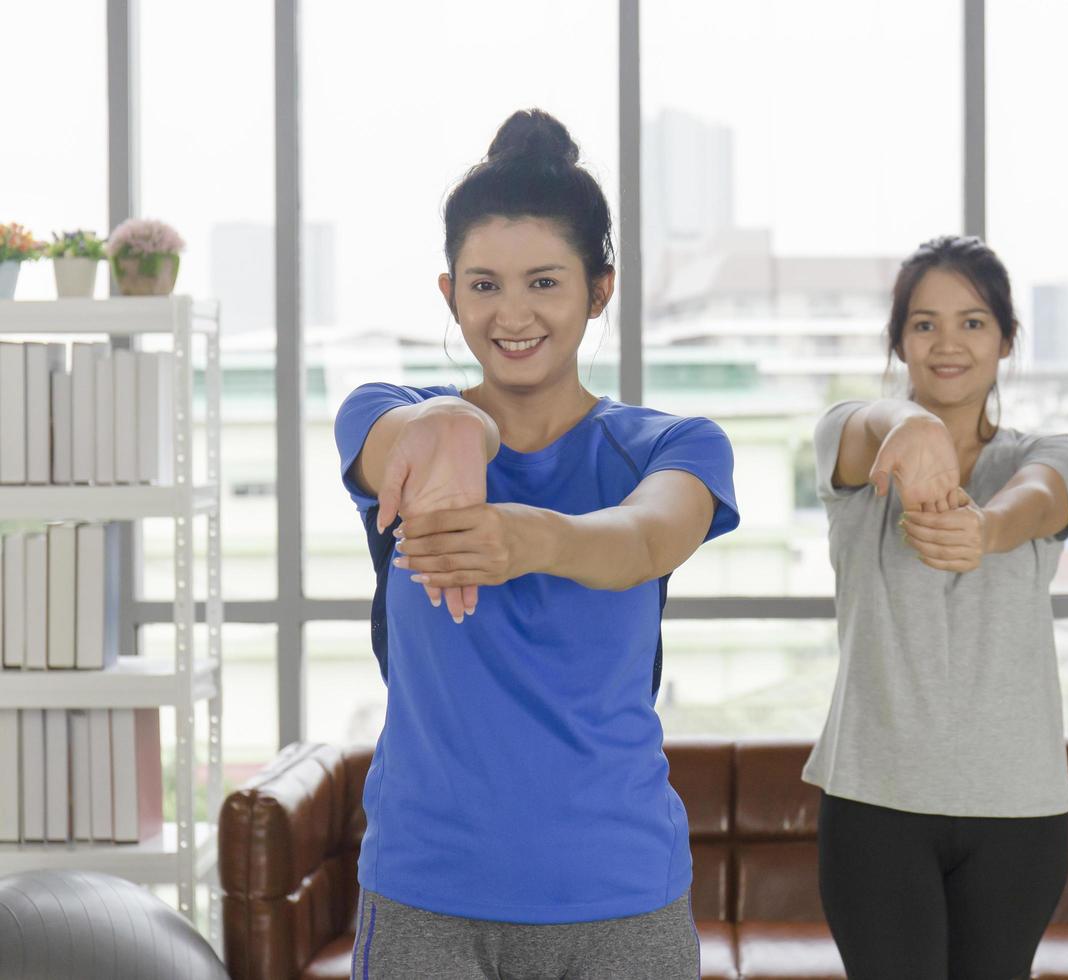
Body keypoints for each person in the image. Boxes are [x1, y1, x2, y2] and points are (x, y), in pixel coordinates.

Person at [332, 108, 738, 980]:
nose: (512, 314)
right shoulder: (384, 415)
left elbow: (642, 538)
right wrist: (449, 423)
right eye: (483, 286)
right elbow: (408, 442)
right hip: (424, 893)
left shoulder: (674, 446)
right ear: (449, 294)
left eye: (544, 283)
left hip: (620, 895)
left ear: (601, 290)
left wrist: (529, 538)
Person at [803, 235, 1068, 980]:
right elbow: (868, 427)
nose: (947, 343)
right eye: (924, 324)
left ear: (1005, 340)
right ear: (899, 341)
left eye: (972, 322)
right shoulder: (852, 437)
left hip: (1019, 811)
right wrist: (911, 426)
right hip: (876, 802)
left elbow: (1037, 502)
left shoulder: (1050, 454)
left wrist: (983, 529)